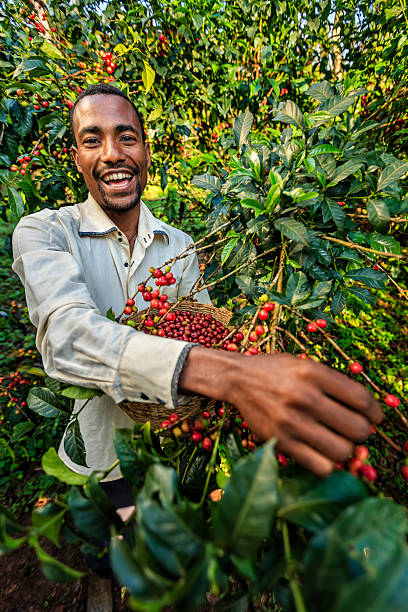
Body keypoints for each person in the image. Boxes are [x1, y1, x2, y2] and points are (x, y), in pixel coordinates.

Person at [12, 84, 383, 610]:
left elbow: (196, 325)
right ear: (76, 155)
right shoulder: (46, 232)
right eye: (92, 139)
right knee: (106, 542)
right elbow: (66, 336)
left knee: (162, 548)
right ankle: (106, 576)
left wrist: (241, 369)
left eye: (127, 137)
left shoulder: (180, 246)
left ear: (145, 149)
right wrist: (230, 375)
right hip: (100, 452)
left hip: (171, 446)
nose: (113, 154)